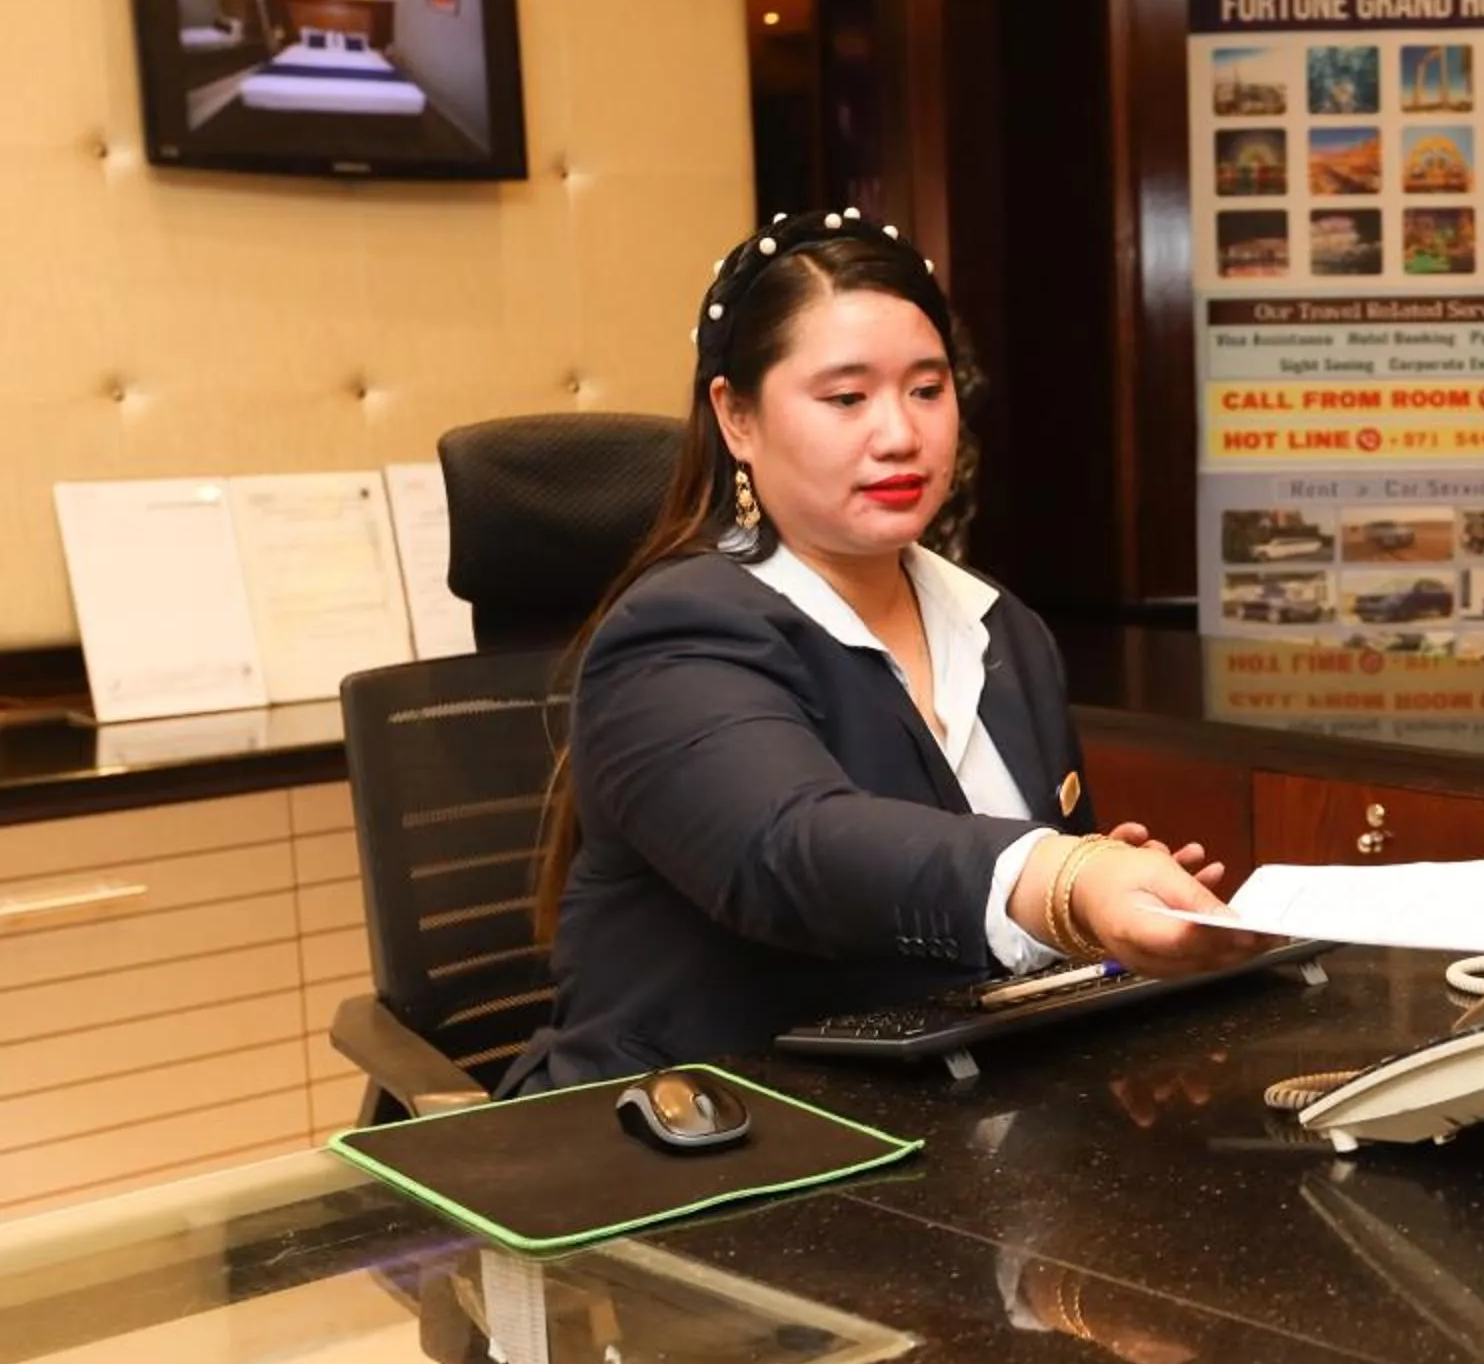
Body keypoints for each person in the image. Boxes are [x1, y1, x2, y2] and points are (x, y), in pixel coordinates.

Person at [504, 211, 1254, 1094]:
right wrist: (1059, 875)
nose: (900, 434)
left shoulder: (999, 625)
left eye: (928, 390)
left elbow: (1006, 909)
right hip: (704, 1131)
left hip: (946, 1111)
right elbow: (790, 847)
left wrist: (1101, 906)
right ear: (736, 417)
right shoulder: (677, 633)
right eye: (846, 398)